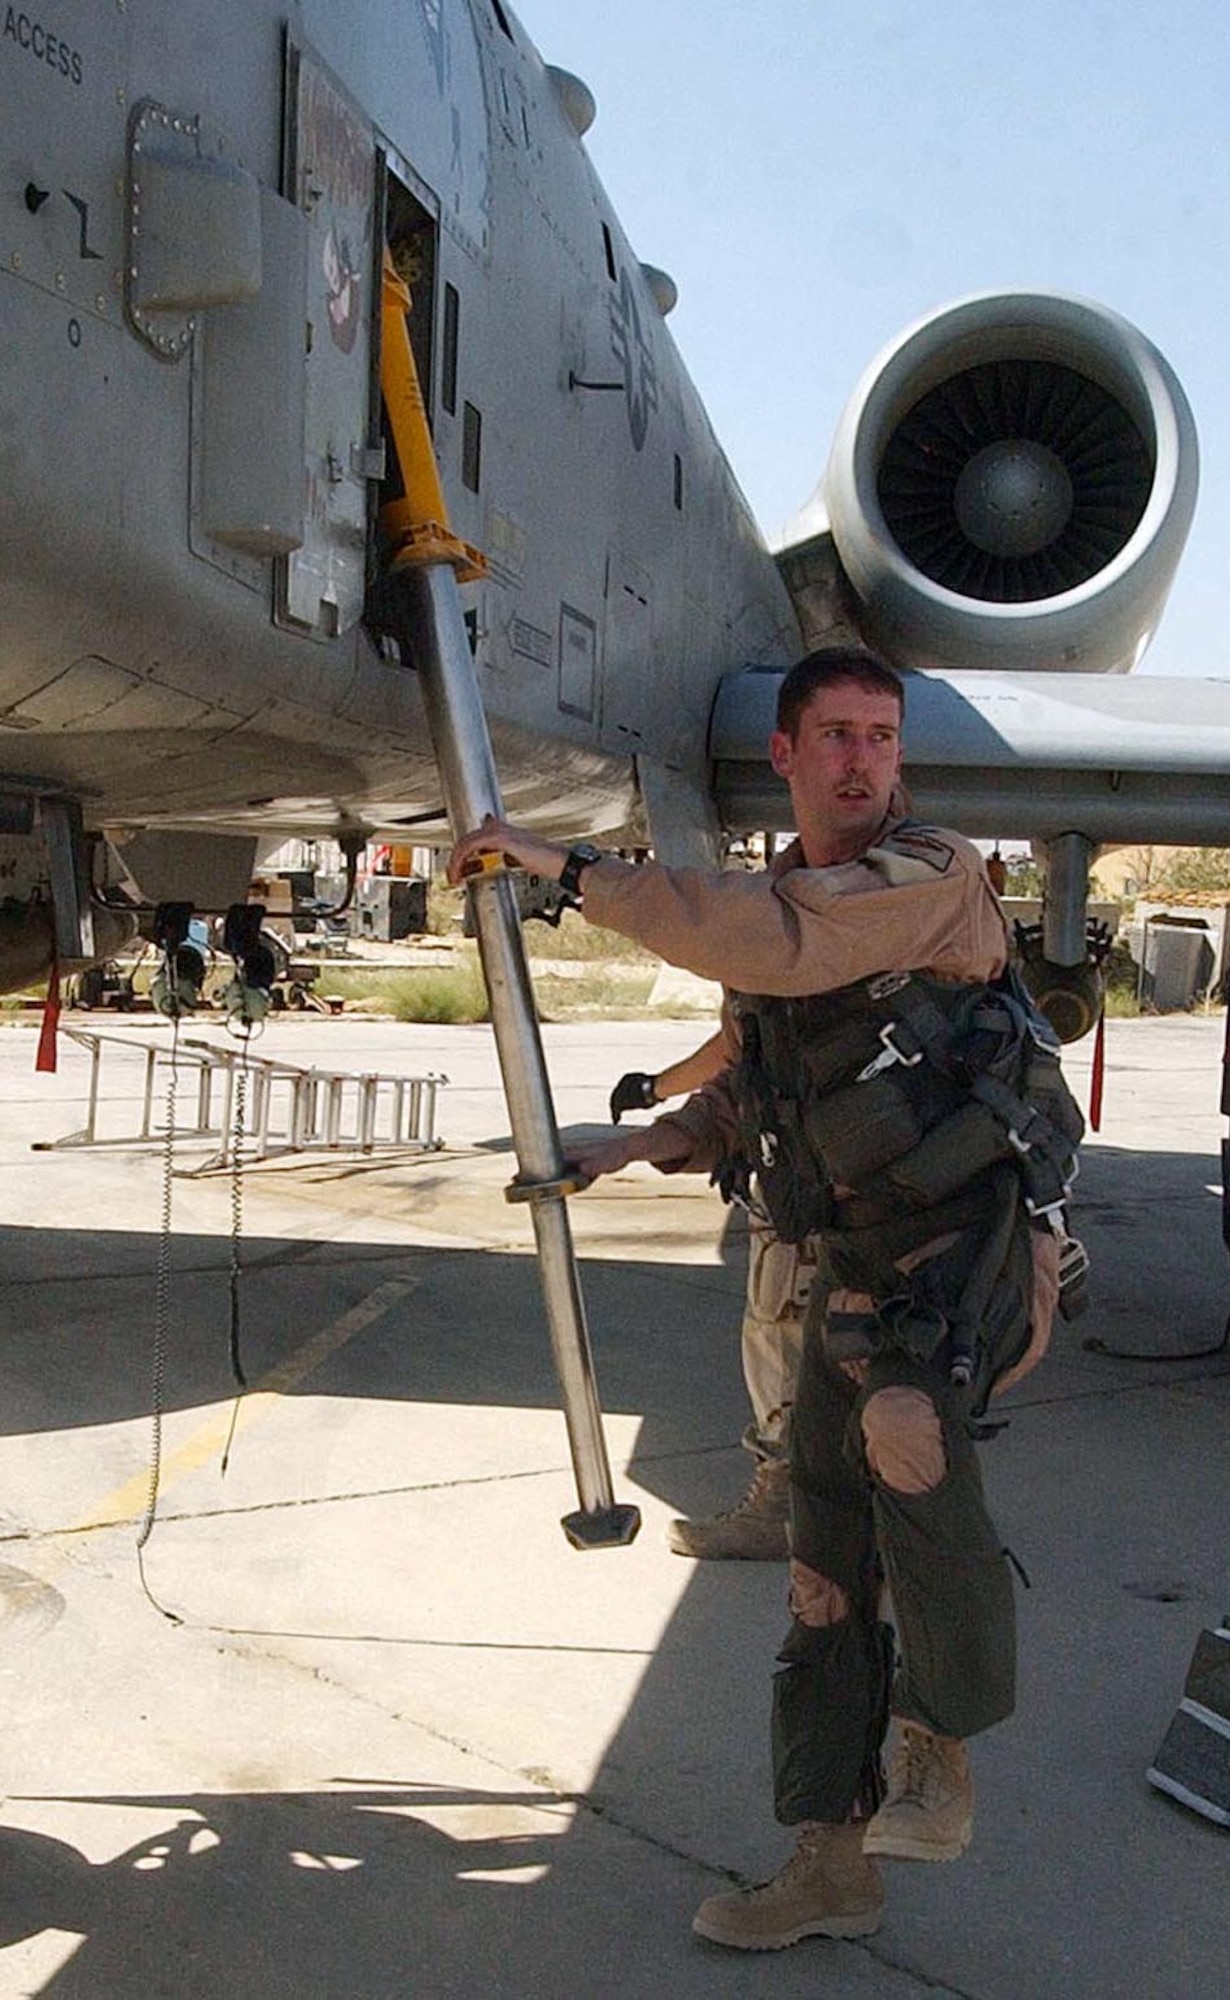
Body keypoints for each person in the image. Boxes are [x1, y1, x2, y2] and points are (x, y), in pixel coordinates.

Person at [449, 647, 1077, 1953]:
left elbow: (772, 937)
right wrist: (621, 1149)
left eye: (883, 737)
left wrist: (566, 872)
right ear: (786, 755)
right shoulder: (789, 917)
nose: (863, 761)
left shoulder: (929, 878)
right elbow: (751, 1094)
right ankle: (828, 1864)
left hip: (969, 1254)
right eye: (837, 735)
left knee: (908, 1432)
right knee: (819, 1584)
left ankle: (939, 1748)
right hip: (849, 1282)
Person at [610, 1032, 815, 1561]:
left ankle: (782, 1512)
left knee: (781, 1331)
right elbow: (742, 1067)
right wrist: (643, 1136)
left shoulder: (802, 969)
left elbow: (742, 1048)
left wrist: (656, 1094)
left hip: (813, 1202)